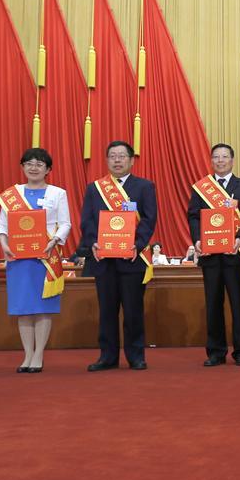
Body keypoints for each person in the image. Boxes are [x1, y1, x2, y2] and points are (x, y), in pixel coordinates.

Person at [79, 141, 157, 371]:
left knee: (133, 310)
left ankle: (136, 355)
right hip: (104, 259)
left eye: (122, 156)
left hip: (131, 258)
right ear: (107, 160)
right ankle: (107, 356)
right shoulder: (95, 188)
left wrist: (137, 244)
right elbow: (87, 221)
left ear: (132, 160)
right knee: (107, 310)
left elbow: (149, 219)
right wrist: (93, 242)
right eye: (112, 156)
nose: (117, 160)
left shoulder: (144, 187)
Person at [0, 148, 71, 373]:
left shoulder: (58, 193)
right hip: (18, 258)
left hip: (45, 257)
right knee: (24, 308)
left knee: (42, 308)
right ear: (22, 167)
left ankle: (39, 355)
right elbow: (2, 224)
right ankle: (27, 354)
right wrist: (4, 244)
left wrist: (54, 241)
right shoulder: (12, 194)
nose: (33, 167)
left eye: (39, 164)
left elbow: (65, 223)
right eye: (29, 163)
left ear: (48, 169)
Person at [187, 143, 240, 367]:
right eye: (216, 157)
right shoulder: (201, 188)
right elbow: (193, 216)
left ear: (232, 160)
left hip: (235, 254)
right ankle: (216, 352)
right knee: (213, 304)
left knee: (239, 304)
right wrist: (198, 239)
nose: (220, 160)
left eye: (224, 157)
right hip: (210, 256)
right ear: (211, 161)